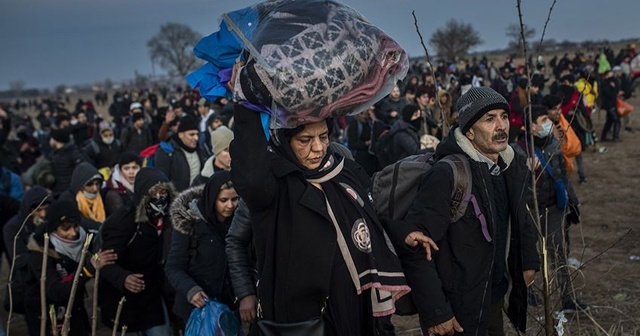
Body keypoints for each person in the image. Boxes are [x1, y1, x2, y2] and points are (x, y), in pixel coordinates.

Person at [230, 104, 410, 335]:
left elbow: (371, 218)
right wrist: (246, 103)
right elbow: (251, 177)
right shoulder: (275, 186)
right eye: (305, 140)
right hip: (305, 318)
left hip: (356, 305)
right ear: (285, 141)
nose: (318, 148)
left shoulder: (344, 172)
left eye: (323, 136)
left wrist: (403, 232)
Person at [396, 87, 539, 335]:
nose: (502, 126)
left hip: (493, 296)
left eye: (504, 116)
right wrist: (437, 311)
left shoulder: (509, 164)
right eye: (489, 119)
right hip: (457, 309)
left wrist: (527, 261)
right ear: (469, 131)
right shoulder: (447, 174)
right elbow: (418, 248)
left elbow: (520, 218)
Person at [514, 105, 586, 313]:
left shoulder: (553, 143)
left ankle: (567, 298)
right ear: (531, 127)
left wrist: (573, 201)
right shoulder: (518, 150)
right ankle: (526, 292)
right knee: (528, 254)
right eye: (543, 120)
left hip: (554, 208)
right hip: (531, 211)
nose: (548, 123)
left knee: (557, 252)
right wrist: (525, 170)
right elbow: (514, 186)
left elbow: (563, 175)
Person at [99, 167, 177, 335]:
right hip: (122, 298)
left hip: (152, 295)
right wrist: (123, 278)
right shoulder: (122, 222)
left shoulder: (170, 220)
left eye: (163, 192)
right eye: (153, 193)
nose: (159, 198)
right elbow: (106, 263)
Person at [24, 198, 116, 336]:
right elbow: (55, 291)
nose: (73, 233)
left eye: (76, 226)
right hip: (47, 313)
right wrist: (87, 269)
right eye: (65, 228)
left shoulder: (84, 239)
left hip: (75, 306)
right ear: (54, 228)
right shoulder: (40, 252)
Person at [165, 171, 240, 322]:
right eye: (223, 200)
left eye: (235, 199)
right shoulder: (189, 224)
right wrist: (191, 290)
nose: (230, 205)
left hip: (228, 306)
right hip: (196, 309)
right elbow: (173, 267)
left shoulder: (240, 222)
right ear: (212, 199)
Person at [155, 115, 206, 191]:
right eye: (191, 134)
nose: (196, 138)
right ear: (181, 135)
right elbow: (161, 182)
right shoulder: (166, 152)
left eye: (197, 134)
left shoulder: (200, 150)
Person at [49, 128, 86, 195]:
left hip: (69, 192)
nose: (50, 141)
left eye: (51, 138)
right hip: (59, 191)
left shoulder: (72, 153)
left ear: (56, 140)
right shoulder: (56, 153)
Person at [104, 152, 141, 217]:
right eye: (126, 168)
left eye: (134, 168)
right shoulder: (113, 193)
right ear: (120, 171)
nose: (131, 172)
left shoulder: (144, 185)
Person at [600, 69, 621, 142]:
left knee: (609, 121)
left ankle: (604, 136)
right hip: (609, 105)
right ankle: (615, 137)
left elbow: (617, 91)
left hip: (612, 104)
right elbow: (609, 94)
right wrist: (613, 87)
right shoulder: (604, 83)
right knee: (617, 120)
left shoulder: (613, 81)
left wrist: (615, 86)